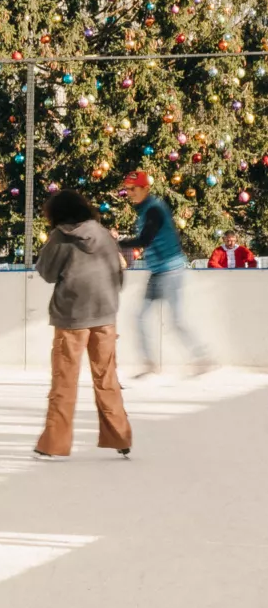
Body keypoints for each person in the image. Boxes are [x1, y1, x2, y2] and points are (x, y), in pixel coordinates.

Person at [32, 189, 132, 461]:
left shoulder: (60, 237)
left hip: (72, 317)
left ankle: (53, 443)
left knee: (64, 381)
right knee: (107, 377)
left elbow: (47, 272)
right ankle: (120, 436)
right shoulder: (103, 234)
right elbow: (118, 272)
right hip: (105, 315)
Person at [118, 171, 211, 376]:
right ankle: (149, 363)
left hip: (171, 270)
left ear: (145, 188)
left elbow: (145, 240)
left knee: (175, 320)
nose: (129, 193)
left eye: (133, 189)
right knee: (139, 316)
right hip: (158, 271)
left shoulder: (154, 210)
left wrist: (117, 243)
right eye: (127, 190)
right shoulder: (146, 210)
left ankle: (202, 357)